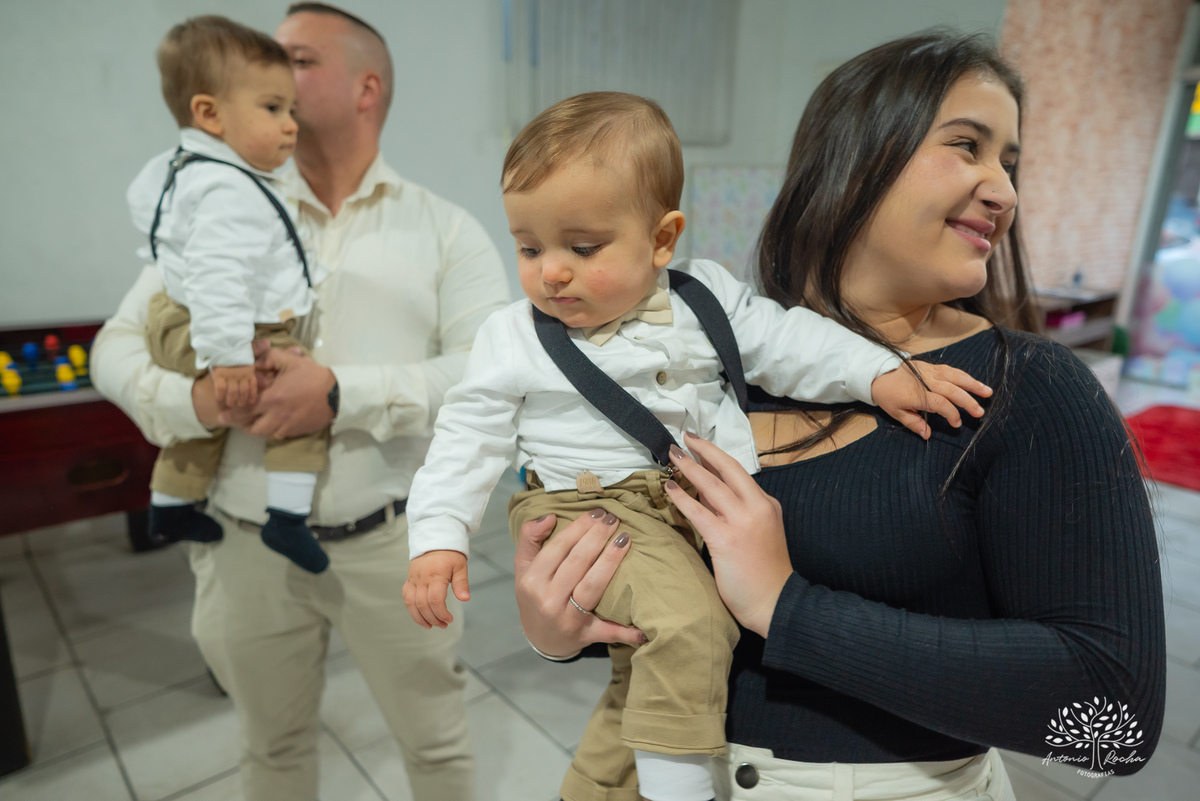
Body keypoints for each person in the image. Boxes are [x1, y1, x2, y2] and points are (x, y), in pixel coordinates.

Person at [512, 32, 1166, 801]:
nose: (1004, 190)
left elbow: (1115, 723)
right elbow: (667, 610)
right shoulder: (717, 364)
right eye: (967, 145)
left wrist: (790, 608)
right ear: (851, 161)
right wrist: (559, 628)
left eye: (1009, 162)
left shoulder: (1031, 390)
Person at [403, 91, 991, 801]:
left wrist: (878, 373)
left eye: (582, 247)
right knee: (687, 624)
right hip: (590, 507)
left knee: (654, 663)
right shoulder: (514, 334)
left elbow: (788, 341)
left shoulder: (706, 296)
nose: (550, 271)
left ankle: (596, 786)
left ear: (662, 238)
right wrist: (438, 534)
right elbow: (466, 434)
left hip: (687, 503)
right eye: (528, 247)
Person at [91, 3, 511, 800]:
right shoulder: (216, 203)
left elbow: (485, 374)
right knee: (272, 748)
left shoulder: (445, 231)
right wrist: (199, 401)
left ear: (367, 87)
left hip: (393, 549)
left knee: (438, 746)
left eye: (299, 59)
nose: (272, 68)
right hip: (241, 545)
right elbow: (111, 350)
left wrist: (343, 394)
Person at [131, 15, 333, 573]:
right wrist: (230, 355)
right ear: (209, 113)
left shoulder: (181, 169)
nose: (291, 125)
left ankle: (170, 504)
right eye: (272, 108)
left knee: (214, 414)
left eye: (291, 109)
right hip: (224, 324)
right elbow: (219, 274)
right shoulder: (229, 189)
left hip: (177, 313)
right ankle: (287, 518)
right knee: (301, 397)